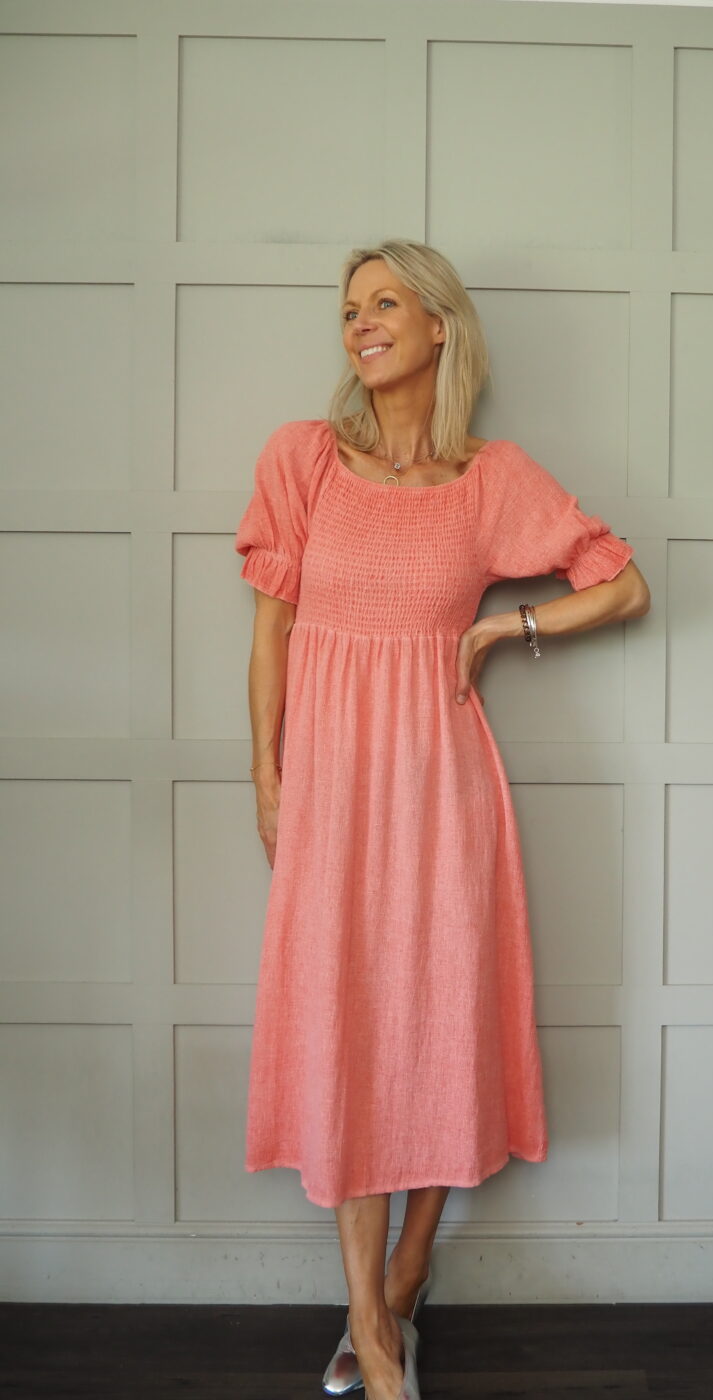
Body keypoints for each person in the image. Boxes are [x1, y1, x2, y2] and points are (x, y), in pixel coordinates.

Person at [233, 238, 650, 1400]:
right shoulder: (304, 459)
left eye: (384, 303)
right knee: (348, 1030)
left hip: (444, 791)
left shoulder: (489, 478)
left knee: (438, 1025)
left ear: (439, 326)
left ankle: (406, 1273)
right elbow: (270, 632)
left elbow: (621, 580)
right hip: (330, 794)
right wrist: (266, 777)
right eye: (349, 310)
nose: (361, 323)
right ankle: (373, 1331)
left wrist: (507, 628)